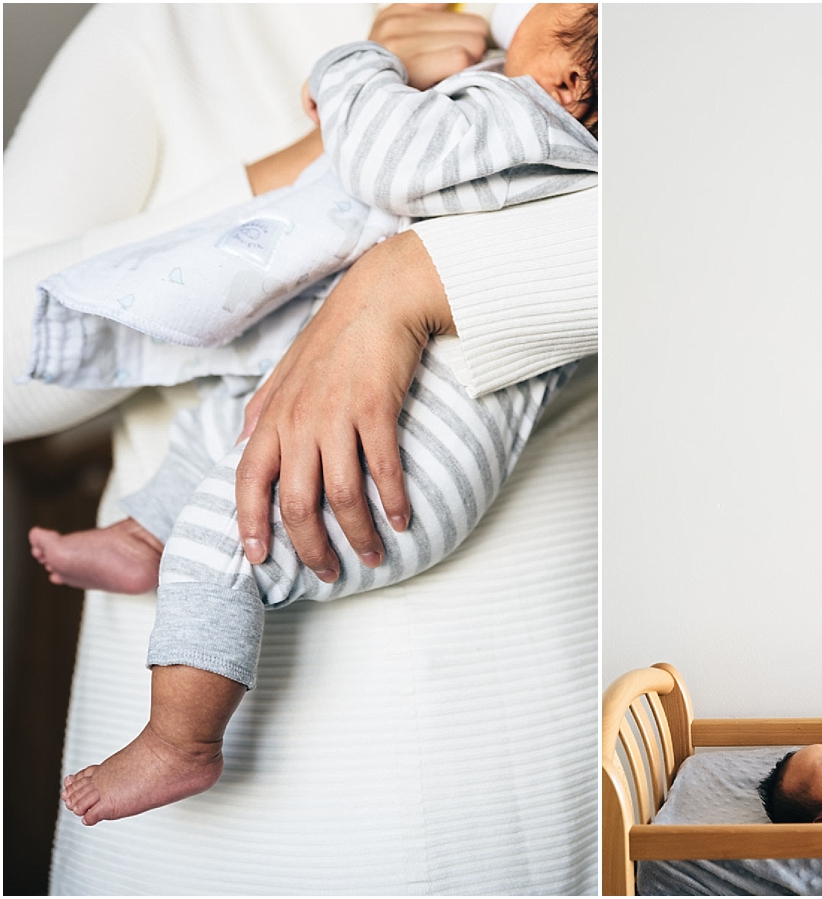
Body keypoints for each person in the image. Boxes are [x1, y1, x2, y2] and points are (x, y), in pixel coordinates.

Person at [6, 5, 597, 894]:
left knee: (233, 511)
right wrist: (298, 171)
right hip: (192, 834)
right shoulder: (161, 24)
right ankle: (147, 537)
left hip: (499, 745)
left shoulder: (573, 70)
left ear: (571, 80)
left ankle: (179, 736)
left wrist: (409, 267)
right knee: (235, 420)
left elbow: (710, 248)